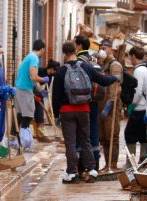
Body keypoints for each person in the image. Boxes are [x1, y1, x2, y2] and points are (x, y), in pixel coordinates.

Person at [51, 41, 117, 184]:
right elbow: (103, 80)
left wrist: (56, 115)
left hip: (66, 112)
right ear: (76, 51)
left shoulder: (61, 71)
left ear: (64, 54)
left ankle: (72, 173)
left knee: (71, 143)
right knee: (86, 140)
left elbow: (55, 97)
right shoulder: (86, 66)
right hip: (84, 109)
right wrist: (115, 78)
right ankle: (92, 170)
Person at [75, 34, 103, 170]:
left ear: (79, 46)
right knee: (93, 131)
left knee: (81, 133)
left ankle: (82, 165)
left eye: (75, 45)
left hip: (81, 104)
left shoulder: (77, 64)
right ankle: (95, 164)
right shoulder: (95, 63)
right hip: (95, 104)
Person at [15, 40, 50, 146]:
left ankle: (17, 139)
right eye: (44, 50)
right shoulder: (34, 58)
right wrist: (43, 79)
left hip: (22, 88)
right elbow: (33, 76)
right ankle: (23, 139)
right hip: (24, 90)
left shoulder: (29, 56)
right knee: (28, 115)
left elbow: (32, 79)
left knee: (21, 115)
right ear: (42, 49)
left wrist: (40, 90)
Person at [97, 39, 123, 171]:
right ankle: (106, 164)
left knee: (112, 135)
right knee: (103, 137)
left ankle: (113, 164)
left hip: (111, 105)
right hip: (101, 104)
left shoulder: (115, 65)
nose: (102, 51)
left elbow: (115, 87)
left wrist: (110, 104)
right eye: (100, 48)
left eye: (104, 48)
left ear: (111, 49)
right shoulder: (103, 65)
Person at [125, 46, 147, 165]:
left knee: (129, 135)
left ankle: (130, 163)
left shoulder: (139, 71)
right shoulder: (146, 70)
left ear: (134, 56)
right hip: (145, 108)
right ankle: (144, 160)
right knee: (143, 136)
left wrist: (131, 106)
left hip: (139, 109)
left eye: (130, 57)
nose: (130, 60)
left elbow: (137, 91)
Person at [34, 59, 60, 142]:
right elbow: (34, 81)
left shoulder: (51, 76)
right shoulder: (40, 70)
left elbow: (46, 86)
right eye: (54, 70)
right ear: (52, 68)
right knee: (30, 115)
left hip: (40, 95)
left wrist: (45, 92)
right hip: (32, 94)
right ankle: (33, 133)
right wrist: (39, 90)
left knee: (40, 114)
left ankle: (40, 135)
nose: (54, 72)